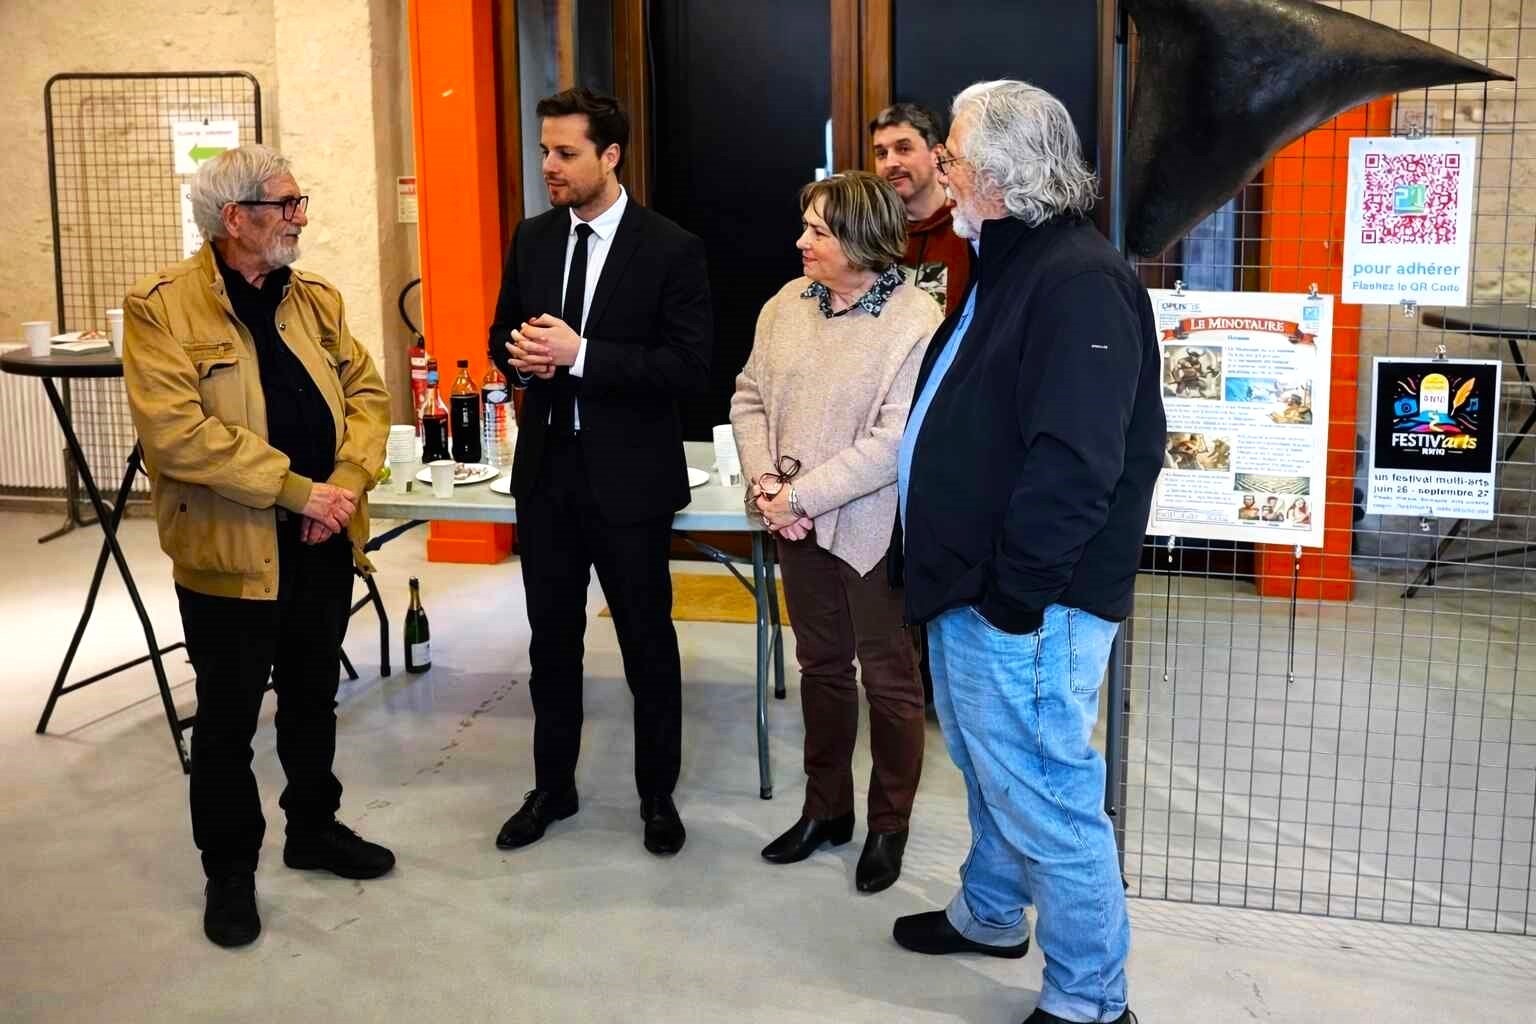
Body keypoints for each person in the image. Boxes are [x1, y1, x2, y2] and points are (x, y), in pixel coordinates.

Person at [893, 81, 1161, 1024]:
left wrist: (1014, 597)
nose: (939, 171)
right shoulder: (1011, 260)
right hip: (978, 588)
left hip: (1030, 606)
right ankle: (992, 912)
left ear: (999, 179)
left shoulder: (1078, 279)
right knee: (991, 768)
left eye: (952, 157)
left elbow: (1079, 466)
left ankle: (1091, 1001)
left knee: (1046, 798)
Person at [122, 144, 394, 949]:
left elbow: (368, 395)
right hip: (230, 553)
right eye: (287, 204)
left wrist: (343, 484)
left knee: (313, 697)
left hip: (320, 539)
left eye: (299, 202)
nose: (300, 218)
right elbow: (178, 436)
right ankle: (230, 873)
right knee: (228, 719)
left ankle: (313, 829)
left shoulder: (316, 299)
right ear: (235, 217)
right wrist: (298, 490)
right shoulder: (160, 309)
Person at [488, 87, 712, 857]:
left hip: (631, 483)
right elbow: (501, 333)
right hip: (547, 476)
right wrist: (518, 357)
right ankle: (553, 787)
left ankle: (657, 795)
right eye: (544, 151)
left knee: (646, 644)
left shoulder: (670, 248)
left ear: (610, 155)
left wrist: (581, 355)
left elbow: (688, 367)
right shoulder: (533, 238)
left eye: (565, 152)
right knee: (551, 645)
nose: (548, 165)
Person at [731, 171, 941, 894]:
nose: (802, 241)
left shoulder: (915, 320)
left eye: (818, 231)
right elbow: (749, 398)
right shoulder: (786, 303)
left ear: (860, 239)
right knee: (819, 668)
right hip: (794, 524)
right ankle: (826, 810)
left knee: (889, 679)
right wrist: (768, 488)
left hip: (873, 528)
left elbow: (894, 442)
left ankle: (889, 825)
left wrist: (798, 497)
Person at [870, 103, 973, 315]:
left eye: (903, 148)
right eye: (881, 153)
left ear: (937, 155)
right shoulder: (870, 233)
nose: (890, 163)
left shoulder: (970, 226)